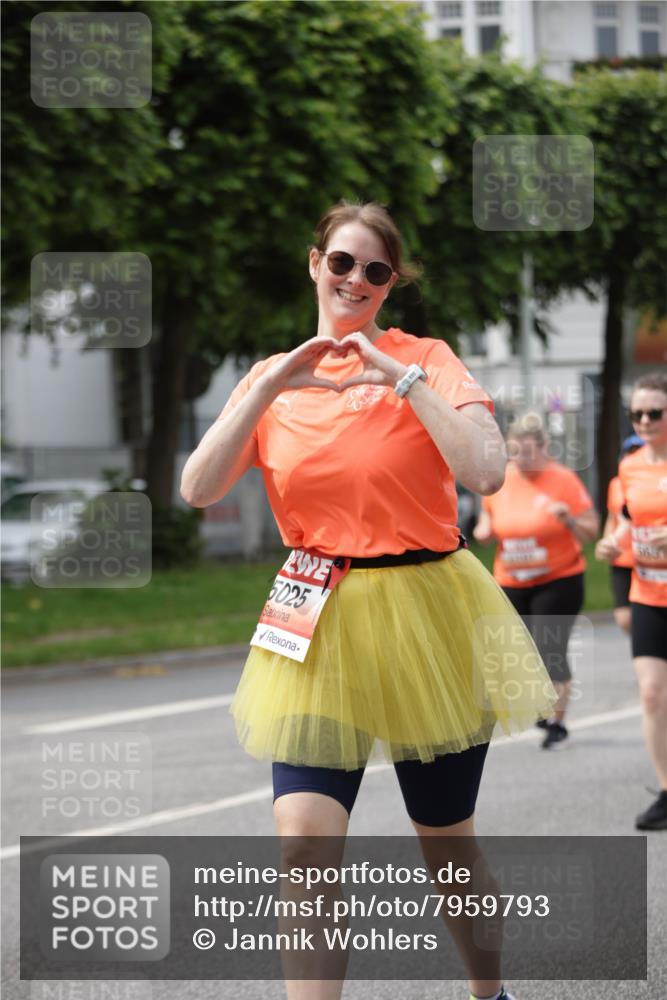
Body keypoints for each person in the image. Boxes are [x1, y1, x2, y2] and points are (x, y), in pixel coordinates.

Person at [181, 201, 556, 1000]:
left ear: (390, 285)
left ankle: (490, 994)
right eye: (341, 262)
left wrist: (405, 381)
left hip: (430, 607)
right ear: (314, 263)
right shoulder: (270, 379)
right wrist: (273, 382)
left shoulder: (427, 358)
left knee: (446, 842)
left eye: (375, 271)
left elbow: (484, 473)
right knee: (302, 844)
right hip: (313, 610)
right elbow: (197, 486)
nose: (355, 280)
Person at [473, 413, 599, 749]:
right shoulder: (502, 480)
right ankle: (539, 704)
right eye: (514, 453)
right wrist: (483, 529)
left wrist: (569, 520)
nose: (520, 460)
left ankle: (556, 721)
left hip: (558, 578)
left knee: (550, 647)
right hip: (511, 578)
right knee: (517, 650)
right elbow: (487, 515)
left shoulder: (563, 480)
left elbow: (591, 531)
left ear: (544, 448)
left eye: (528, 452)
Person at [595, 373, 667, 831]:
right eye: (636, 413)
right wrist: (612, 542)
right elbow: (626, 518)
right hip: (648, 593)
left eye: (654, 413)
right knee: (651, 693)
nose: (644, 420)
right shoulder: (631, 466)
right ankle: (666, 789)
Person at [595, 434, 643, 634]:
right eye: (628, 455)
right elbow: (613, 517)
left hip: (649, 557)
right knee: (624, 618)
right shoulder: (616, 484)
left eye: (637, 454)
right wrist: (607, 542)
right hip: (622, 559)